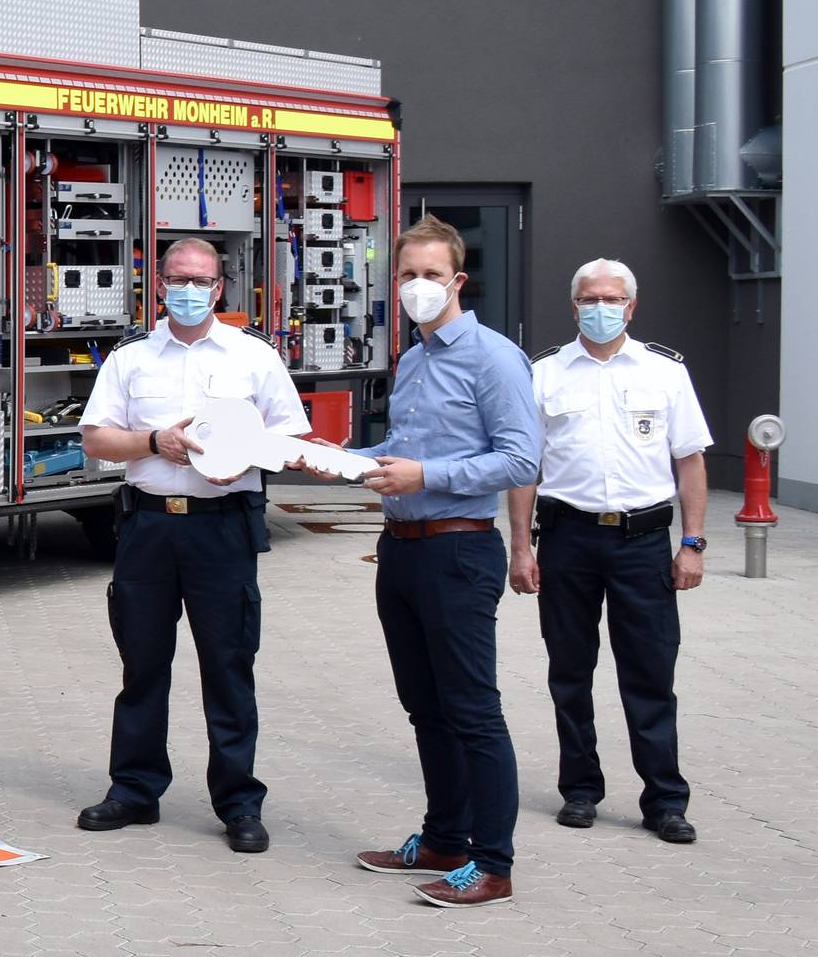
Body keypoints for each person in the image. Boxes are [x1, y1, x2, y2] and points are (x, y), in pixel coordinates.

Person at [73, 238, 306, 853]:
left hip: (222, 526)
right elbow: (96, 440)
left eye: (200, 280)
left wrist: (243, 459)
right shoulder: (130, 359)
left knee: (229, 667)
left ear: (220, 288)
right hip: (148, 528)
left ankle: (238, 803)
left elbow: (291, 435)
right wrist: (154, 442)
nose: (188, 289)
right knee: (142, 664)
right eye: (177, 277)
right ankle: (134, 790)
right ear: (158, 282)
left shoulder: (253, 357)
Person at [344, 214, 540, 908]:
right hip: (400, 553)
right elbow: (398, 448)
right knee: (424, 708)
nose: (417, 287)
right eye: (406, 276)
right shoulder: (415, 358)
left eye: (430, 275)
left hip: (457, 549)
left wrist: (424, 476)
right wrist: (328, 458)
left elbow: (520, 458)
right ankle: (442, 839)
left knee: (471, 712)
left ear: (457, 280)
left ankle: (491, 863)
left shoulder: (492, 358)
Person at [507, 258, 711, 845]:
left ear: (631, 306)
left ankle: (665, 799)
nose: (601, 307)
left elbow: (689, 460)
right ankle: (580, 789)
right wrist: (521, 547)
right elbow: (526, 468)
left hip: (644, 542)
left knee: (650, 674)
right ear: (574, 307)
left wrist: (691, 544)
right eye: (590, 298)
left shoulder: (664, 372)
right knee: (570, 671)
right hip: (568, 539)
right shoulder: (544, 374)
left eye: (613, 298)